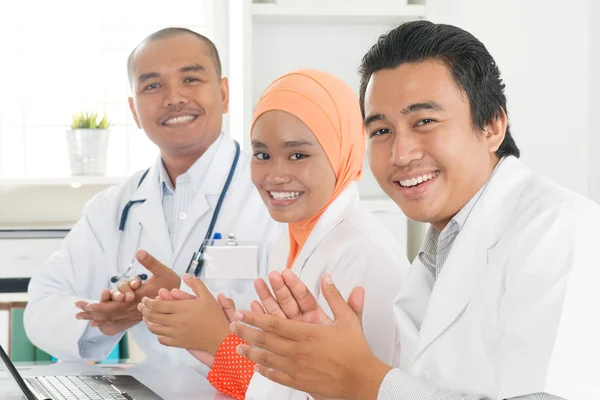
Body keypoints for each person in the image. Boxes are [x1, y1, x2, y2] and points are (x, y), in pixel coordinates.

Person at [228, 21, 600, 400]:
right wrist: (332, 378)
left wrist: (362, 380)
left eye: (424, 122)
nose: (400, 154)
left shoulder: (562, 230)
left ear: (492, 125)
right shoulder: (438, 251)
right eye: (381, 131)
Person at [137, 69, 410, 399]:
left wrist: (218, 338)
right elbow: (283, 379)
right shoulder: (291, 240)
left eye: (298, 155)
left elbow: (351, 391)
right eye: (262, 155)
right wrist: (227, 339)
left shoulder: (363, 254)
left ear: (341, 153)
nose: (276, 175)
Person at [23, 28, 280, 374]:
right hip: (151, 387)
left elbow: (297, 331)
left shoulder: (274, 192)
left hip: (250, 389)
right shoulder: (113, 208)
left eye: (190, 78)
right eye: (153, 85)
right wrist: (107, 320)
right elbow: (41, 304)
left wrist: (178, 298)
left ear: (223, 92)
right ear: (133, 110)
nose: (174, 98)